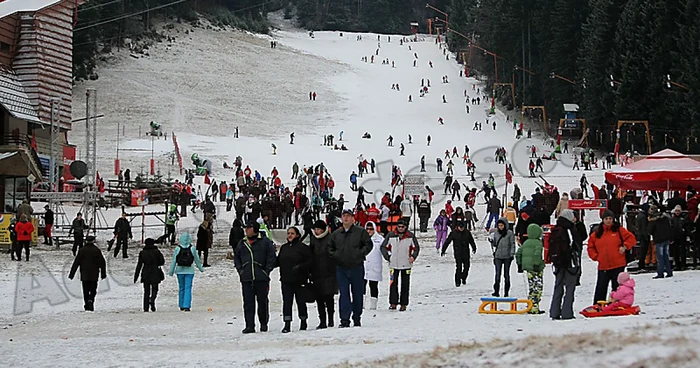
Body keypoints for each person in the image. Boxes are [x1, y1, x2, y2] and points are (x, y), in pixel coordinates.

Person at [328, 209, 373, 327]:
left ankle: (357, 317)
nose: (346, 218)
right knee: (344, 294)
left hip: (356, 267)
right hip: (341, 268)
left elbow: (368, 244)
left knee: (357, 293)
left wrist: (359, 254)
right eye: (344, 216)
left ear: (353, 218)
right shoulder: (336, 234)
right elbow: (330, 247)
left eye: (348, 216)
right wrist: (336, 256)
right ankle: (344, 319)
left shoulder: (360, 232)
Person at [234, 221, 277, 333]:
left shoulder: (265, 242)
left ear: (255, 229)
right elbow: (237, 258)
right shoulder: (242, 243)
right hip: (247, 278)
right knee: (248, 303)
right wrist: (241, 270)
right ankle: (249, 325)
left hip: (261, 278)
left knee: (262, 302)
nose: (246, 230)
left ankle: (263, 323)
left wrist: (266, 271)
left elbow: (271, 257)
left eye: (249, 228)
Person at [587, 209, 636, 304]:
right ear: (603, 220)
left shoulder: (619, 230)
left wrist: (625, 246)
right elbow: (590, 246)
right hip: (603, 266)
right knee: (601, 288)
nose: (608, 220)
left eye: (610, 218)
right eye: (606, 218)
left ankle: (617, 304)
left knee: (618, 288)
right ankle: (598, 305)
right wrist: (596, 256)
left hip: (618, 264)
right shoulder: (597, 233)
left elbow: (631, 238)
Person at [277, 227, 313, 333]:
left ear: (297, 235)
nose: (290, 235)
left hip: (299, 280)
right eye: (288, 233)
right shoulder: (284, 248)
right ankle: (287, 324)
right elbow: (278, 261)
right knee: (287, 302)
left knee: (301, 301)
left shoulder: (303, 248)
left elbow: (310, 261)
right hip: (286, 280)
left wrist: (301, 267)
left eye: (292, 233)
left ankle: (303, 321)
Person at [548, 210, 582, 320]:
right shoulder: (569, 229)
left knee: (558, 287)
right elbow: (576, 244)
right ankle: (567, 312)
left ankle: (554, 311)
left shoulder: (556, 229)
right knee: (570, 288)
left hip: (558, 263)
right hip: (569, 262)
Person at [380, 219, 420, 311]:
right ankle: (393, 303)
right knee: (393, 284)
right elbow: (383, 247)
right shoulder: (391, 235)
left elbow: (416, 248)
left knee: (405, 285)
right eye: (399, 227)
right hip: (393, 264)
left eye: (402, 227)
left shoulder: (410, 236)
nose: (401, 228)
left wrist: (413, 257)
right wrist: (388, 257)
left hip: (406, 264)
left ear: (405, 227)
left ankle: (403, 304)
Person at [310, 220, 337, 328]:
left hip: (329, 272)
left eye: (318, 229)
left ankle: (331, 319)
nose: (316, 231)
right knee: (319, 299)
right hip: (316, 273)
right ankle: (322, 321)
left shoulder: (330, 239)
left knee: (328, 297)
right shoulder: (313, 240)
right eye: (315, 229)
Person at [68, 236, 107, 311]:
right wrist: (103, 273)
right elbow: (102, 262)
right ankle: (91, 300)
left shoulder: (82, 250)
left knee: (85, 290)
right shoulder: (96, 250)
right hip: (94, 274)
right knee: (93, 289)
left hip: (84, 274)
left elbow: (76, 263)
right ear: (93, 241)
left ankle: (86, 304)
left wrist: (71, 274)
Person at [168, 233, 205, 312]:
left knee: (181, 288)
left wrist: (171, 271)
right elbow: (197, 260)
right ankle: (186, 305)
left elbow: (174, 260)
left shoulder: (178, 248)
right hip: (190, 271)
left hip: (179, 271)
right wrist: (201, 268)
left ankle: (181, 304)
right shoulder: (192, 248)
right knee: (188, 288)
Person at [516, 224, 545, 314]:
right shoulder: (538, 243)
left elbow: (518, 254)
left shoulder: (526, 243)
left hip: (528, 268)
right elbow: (537, 254)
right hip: (536, 268)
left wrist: (520, 265)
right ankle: (535, 308)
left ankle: (530, 305)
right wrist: (537, 264)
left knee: (531, 287)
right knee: (538, 288)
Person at [134, 238, 165, 312]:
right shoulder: (157, 252)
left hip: (146, 272)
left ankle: (146, 307)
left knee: (146, 291)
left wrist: (136, 276)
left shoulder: (142, 253)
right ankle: (152, 299)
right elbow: (162, 262)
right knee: (155, 289)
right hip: (155, 271)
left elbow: (139, 265)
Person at [441, 221, 476, 287]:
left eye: (463, 227)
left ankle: (463, 277)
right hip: (458, 253)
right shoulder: (453, 233)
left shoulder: (467, 232)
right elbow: (447, 241)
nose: (461, 229)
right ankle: (457, 281)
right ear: (458, 227)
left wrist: (474, 248)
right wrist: (443, 250)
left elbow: (471, 241)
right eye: (460, 227)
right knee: (459, 267)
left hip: (466, 252)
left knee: (467, 267)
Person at [490, 218, 516, 297]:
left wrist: (512, 254)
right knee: (497, 274)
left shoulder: (509, 233)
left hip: (507, 256)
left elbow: (512, 244)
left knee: (506, 274)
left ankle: (506, 292)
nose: (500, 227)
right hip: (498, 256)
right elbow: (495, 244)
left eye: (502, 225)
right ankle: (496, 291)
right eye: (499, 225)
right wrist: (491, 241)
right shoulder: (496, 233)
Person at [647, 205, 673, 279]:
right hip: (666, 239)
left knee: (660, 257)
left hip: (658, 239)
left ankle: (660, 273)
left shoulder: (653, 220)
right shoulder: (665, 218)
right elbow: (670, 228)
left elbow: (649, 230)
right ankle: (669, 271)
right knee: (666, 256)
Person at [363, 221, 384, 310]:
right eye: (367, 229)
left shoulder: (380, 239)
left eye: (371, 229)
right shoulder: (361, 238)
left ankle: (373, 305)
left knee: (373, 285)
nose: (369, 231)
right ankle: (361, 303)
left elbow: (385, 250)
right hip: (363, 265)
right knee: (361, 286)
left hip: (375, 265)